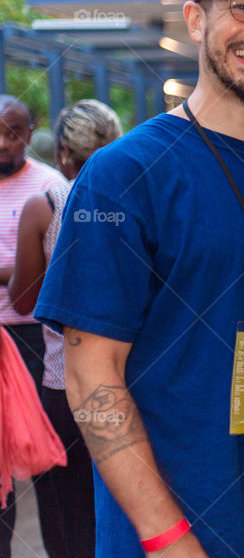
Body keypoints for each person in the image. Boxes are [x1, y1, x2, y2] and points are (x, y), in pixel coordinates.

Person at [33, 0, 244, 557]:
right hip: (167, 532)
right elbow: (92, 376)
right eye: (241, 6)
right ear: (196, 19)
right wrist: (167, 537)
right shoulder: (123, 174)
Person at [8, 100, 121, 558]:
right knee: (124, 506)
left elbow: (24, 300)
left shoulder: (47, 206)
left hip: (62, 383)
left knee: (64, 514)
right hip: (126, 385)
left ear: (61, 153)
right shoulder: (138, 205)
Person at [0, 95, 66, 558]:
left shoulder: (50, 186)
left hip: (33, 340)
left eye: (14, 132)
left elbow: (50, 272)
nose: (4, 142)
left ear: (31, 131)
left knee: (46, 463)